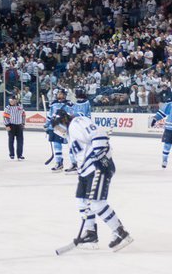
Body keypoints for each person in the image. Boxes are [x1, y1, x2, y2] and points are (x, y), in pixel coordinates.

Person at [52, 110, 133, 252]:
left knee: (96, 203)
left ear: (64, 120)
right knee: (82, 201)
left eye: (58, 127)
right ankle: (90, 234)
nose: (58, 131)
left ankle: (121, 233)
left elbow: (98, 134)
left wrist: (101, 156)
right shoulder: (71, 133)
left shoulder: (77, 123)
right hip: (86, 172)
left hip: (97, 167)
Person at [68, 91, 93, 171]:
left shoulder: (87, 103)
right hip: (74, 126)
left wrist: (77, 116)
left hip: (82, 127)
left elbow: (87, 115)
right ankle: (74, 163)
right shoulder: (75, 104)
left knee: (82, 145)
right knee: (73, 145)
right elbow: (72, 113)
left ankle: (84, 163)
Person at [46, 89, 70, 171]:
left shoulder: (69, 105)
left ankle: (75, 163)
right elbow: (50, 116)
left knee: (71, 146)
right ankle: (58, 162)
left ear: (65, 95)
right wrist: (48, 125)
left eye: (61, 94)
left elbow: (70, 116)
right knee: (56, 145)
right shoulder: (53, 104)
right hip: (55, 127)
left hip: (63, 128)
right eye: (58, 93)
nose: (59, 95)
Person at [2, 95, 25, 160]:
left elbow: (23, 115)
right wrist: (7, 125)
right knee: (11, 140)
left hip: (19, 125)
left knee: (20, 141)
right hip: (11, 125)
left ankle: (19, 155)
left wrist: (23, 123)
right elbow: (5, 117)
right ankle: (12, 154)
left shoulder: (20, 106)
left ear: (16, 100)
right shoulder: (7, 108)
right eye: (10, 100)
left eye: (12, 100)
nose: (11, 101)